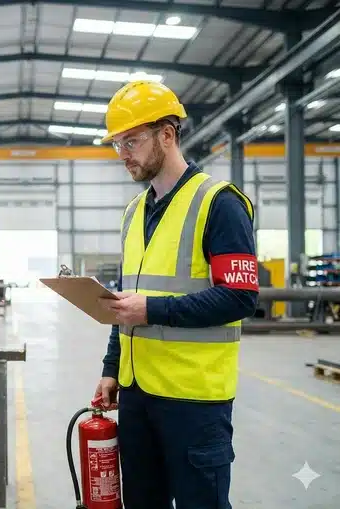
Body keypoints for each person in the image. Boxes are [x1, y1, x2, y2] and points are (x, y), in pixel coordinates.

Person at [93, 81, 259, 509]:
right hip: (136, 394)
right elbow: (127, 304)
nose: (123, 154)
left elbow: (240, 298)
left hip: (194, 401)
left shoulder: (218, 203)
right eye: (117, 144)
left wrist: (151, 308)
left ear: (167, 134)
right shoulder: (133, 213)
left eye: (132, 141)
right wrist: (112, 368)